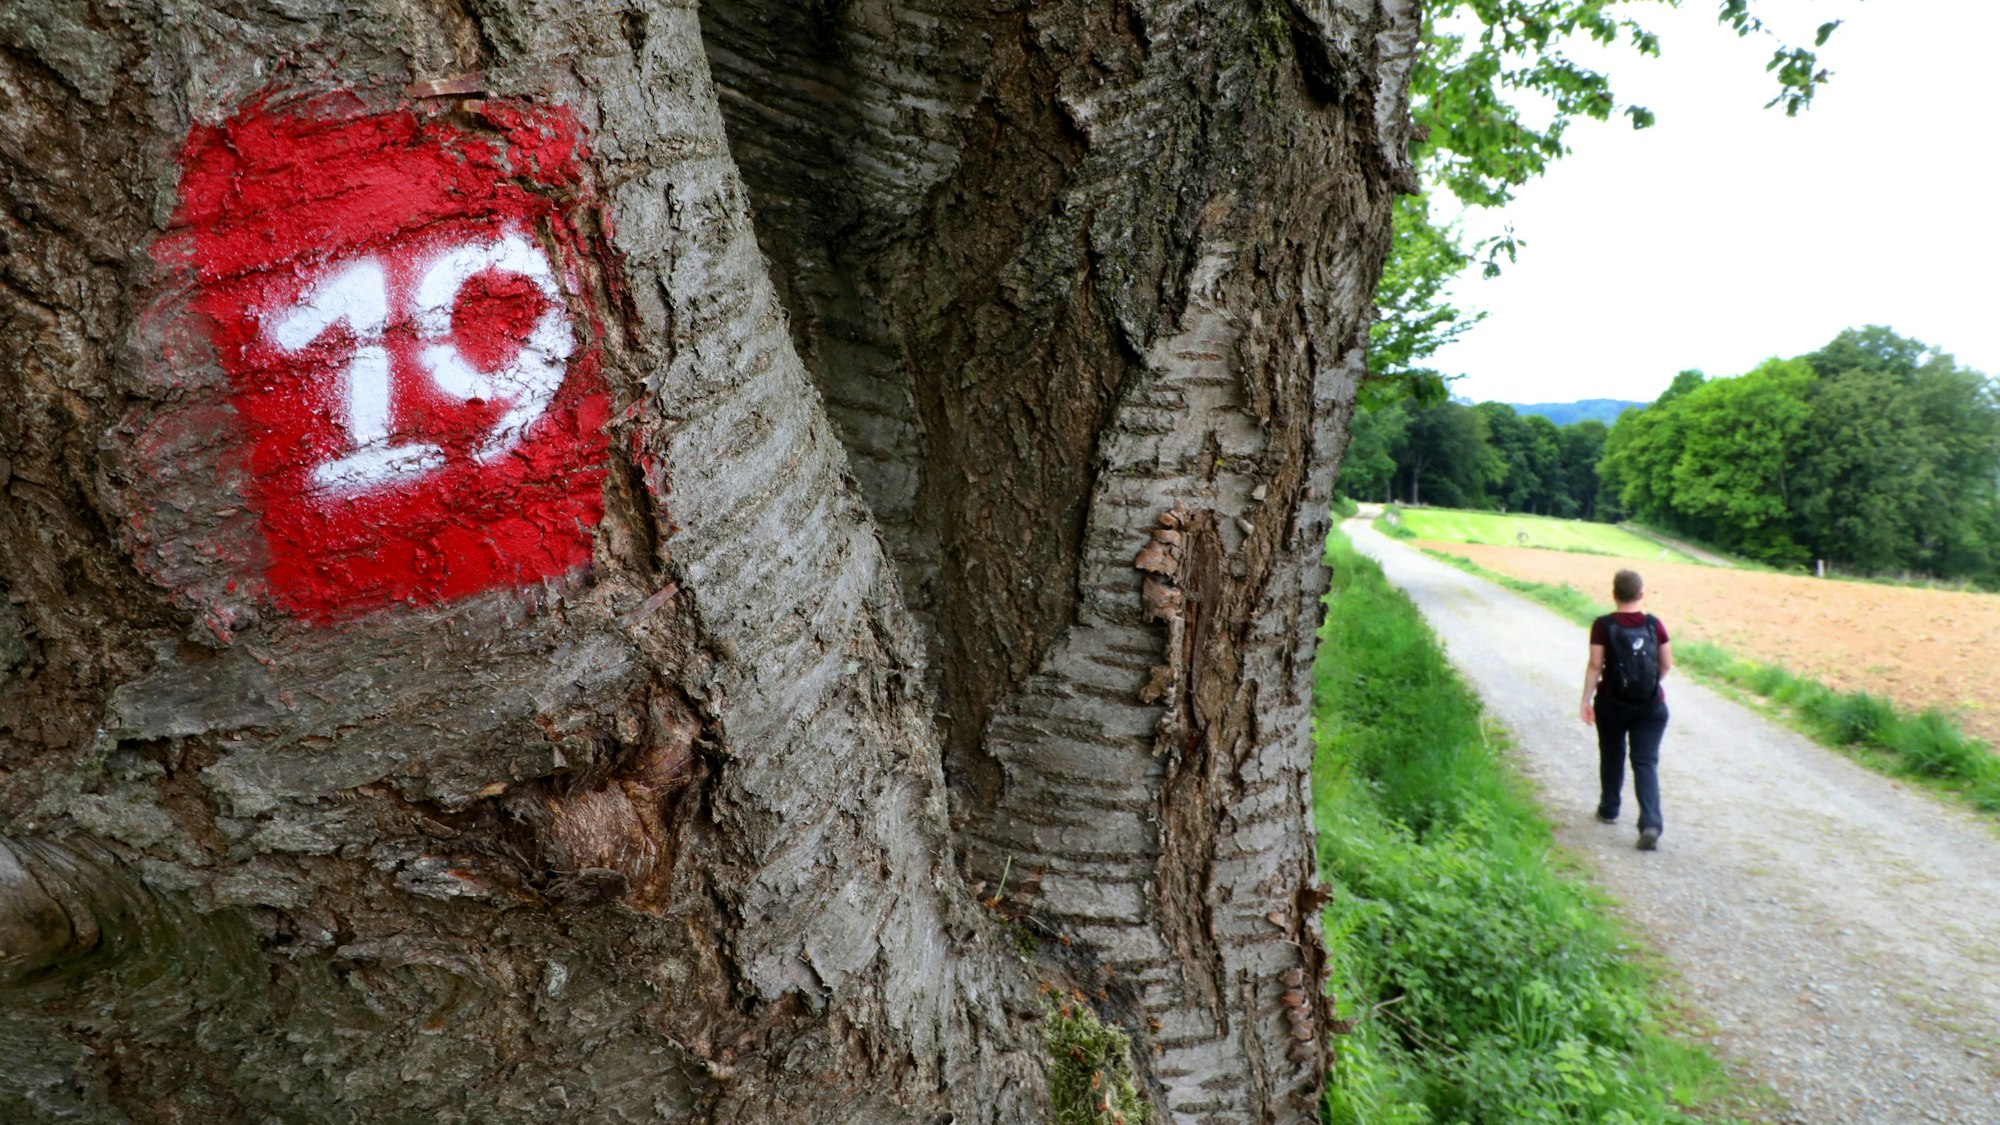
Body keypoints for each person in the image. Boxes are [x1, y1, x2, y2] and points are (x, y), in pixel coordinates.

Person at [1579, 568, 1671, 850]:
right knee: (1645, 762)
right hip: (1651, 706)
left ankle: (1609, 809)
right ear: (1641, 594)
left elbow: (1596, 665)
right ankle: (1651, 823)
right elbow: (1665, 664)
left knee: (1612, 754)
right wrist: (1648, 686)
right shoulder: (1654, 625)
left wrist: (1586, 699)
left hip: (1612, 703)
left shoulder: (1603, 625)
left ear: (1614, 594)